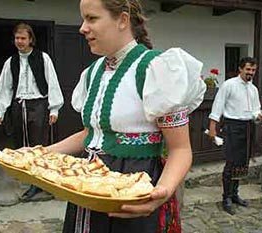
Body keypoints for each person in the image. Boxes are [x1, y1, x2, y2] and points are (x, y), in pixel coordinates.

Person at [47, 0, 205, 232]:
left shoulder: (157, 70)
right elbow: (91, 135)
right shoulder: (91, 74)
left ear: (122, 20)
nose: (82, 28)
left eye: (91, 18)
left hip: (134, 190)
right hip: (87, 186)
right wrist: (39, 154)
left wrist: (163, 191)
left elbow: (180, 149)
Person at [0, 23, 64, 200]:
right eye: (17, 38)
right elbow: (5, 87)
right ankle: (32, 182)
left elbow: (52, 82)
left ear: (31, 39)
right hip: (19, 106)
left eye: (23, 38)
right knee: (23, 146)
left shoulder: (43, 58)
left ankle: (41, 182)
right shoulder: (12, 62)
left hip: (38, 106)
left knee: (39, 145)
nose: (20, 41)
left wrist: (54, 108)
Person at [208, 57, 261, 215]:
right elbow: (218, 105)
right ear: (240, 69)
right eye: (248, 69)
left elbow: (256, 109)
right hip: (232, 127)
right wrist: (212, 127)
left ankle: (235, 194)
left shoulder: (253, 89)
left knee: (242, 163)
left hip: (248, 127)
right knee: (231, 163)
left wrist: (258, 115)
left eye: (253, 70)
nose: (250, 73)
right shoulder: (229, 85)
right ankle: (226, 198)